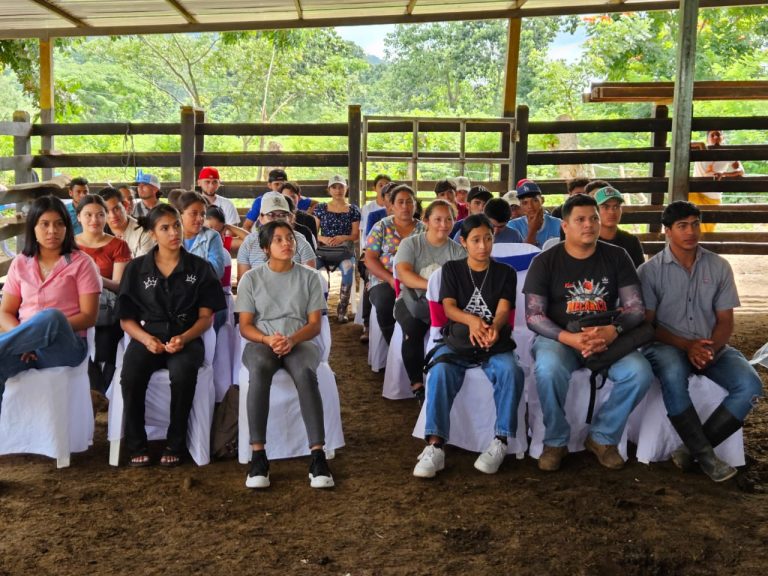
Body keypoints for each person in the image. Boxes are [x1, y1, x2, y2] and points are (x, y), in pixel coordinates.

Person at [524, 194, 653, 472]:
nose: (589, 225)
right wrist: (569, 338)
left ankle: (603, 437)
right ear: (565, 226)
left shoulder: (617, 256)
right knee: (548, 369)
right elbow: (534, 315)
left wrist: (613, 331)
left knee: (640, 372)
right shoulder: (545, 261)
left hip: (606, 336)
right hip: (559, 337)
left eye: (593, 218)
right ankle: (556, 440)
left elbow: (635, 308)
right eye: (580, 219)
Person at [639, 201, 762, 482]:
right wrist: (686, 346)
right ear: (667, 231)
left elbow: (726, 320)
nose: (691, 231)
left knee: (751, 385)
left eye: (695, 224)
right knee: (672, 373)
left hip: (711, 345)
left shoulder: (719, 266)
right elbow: (648, 325)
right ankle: (707, 458)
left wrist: (709, 349)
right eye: (682, 226)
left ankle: (690, 451)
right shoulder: (649, 271)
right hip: (667, 345)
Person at [413, 214, 524, 479]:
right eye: (476, 240)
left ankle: (500, 441)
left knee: (511, 371)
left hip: (493, 341)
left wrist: (494, 329)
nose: (483, 245)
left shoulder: (505, 273)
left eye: (488, 238)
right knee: (439, 373)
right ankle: (436, 445)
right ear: (463, 242)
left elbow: (503, 310)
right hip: (458, 341)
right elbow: (449, 308)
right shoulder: (451, 269)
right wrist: (473, 321)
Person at [117, 204, 226, 468]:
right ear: (153, 234)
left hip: (186, 337)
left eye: (176, 225)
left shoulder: (200, 268)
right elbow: (126, 320)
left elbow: (205, 318)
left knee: (184, 373)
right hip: (147, 336)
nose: (173, 232)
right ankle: (136, 443)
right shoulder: (136, 269)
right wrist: (145, 339)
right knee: (130, 376)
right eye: (164, 228)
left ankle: (175, 442)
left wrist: (185, 338)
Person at [236, 221, 334, 489]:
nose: (286, 243)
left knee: (304, 372)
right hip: (262, 341)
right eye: (278, 239)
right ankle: (258, 455)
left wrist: (291, 339)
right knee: (259, 370)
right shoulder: (251, 278)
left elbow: (315, 324)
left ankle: (317, 455)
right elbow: (245, 326)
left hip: (299, 340)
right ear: (266, 248)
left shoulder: (311, 277)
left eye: (289, 238)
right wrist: (268, 339)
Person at [0, 196, 101, 417]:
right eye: (44, 224)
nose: (52, 230)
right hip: (23, 348)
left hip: (65, 346)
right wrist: (25, 340)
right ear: (33, 228)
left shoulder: (82, 263)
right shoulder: (20, 263)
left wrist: (41, 334)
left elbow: (89, 316)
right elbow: (5, 312)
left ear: (67, 227)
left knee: (52, 317)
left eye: (59, 224)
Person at [394, 199, 465, 402]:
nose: (443, 224)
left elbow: (463, 282)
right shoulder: (411, 243)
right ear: (426, 220)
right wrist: (435, 287)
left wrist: (442, 294)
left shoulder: (458, 250)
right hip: (412, 301)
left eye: (448, 219)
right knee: (413, 329)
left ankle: (451, 380)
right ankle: (417, 385)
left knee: (457, 329)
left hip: (446, 303)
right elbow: (404, 275)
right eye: (437, 219)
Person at [75, 194, 132, 392]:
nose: (94, 220)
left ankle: (103, 395)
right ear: (78, 217)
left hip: (107, 307)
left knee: (106, 340)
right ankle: (90, 393)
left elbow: (118, 285)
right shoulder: (69, 246)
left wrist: (95, 280)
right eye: (88, 215)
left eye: (100, 214)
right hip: (75, 306)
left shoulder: (118, 245)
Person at [365, 184, 425, 345]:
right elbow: (369, 258)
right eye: (400, 202)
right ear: (391, 206)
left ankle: (414, 344)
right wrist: (391, 279)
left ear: (415, 205)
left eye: (409, 202)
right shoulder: (381, 227)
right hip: (385, 279)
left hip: (416, 280)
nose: (405, 206)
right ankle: (393, 345)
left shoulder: (424, 230)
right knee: (384, 301)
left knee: (425, 306)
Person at [314, 175, 361, 323]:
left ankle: (342, 309)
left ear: (346, 188)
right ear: (329, 190)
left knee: (348, 269)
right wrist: (322, 238)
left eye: (341, 186)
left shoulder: (353, 210)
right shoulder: (321, 208)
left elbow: (355, 236)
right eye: (334, 187)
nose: (338, 190)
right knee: (311, 269)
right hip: (323, 251)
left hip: (344, 252)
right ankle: (319, 307)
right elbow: (314, 233)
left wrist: (343, 237)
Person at [237, 192, 316, 279]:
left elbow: (311, 279)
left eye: (282, 215)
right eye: (271, 215)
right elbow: (243, 281)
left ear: (289, 218)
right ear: (261, 218)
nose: (277, 219)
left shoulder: (300, 241)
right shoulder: (249, 242)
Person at [692, 129, 745, 233]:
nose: (715, 137)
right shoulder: (700, 149)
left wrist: (724, 174)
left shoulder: (728, 154)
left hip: (713, 197)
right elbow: (682, 144)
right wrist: (701, 144)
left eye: (718, 135)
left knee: (706, 231)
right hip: (695, 193)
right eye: (712, 135)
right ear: (707, 139)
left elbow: (740, 171)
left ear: (723, 137)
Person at [594, 186, 645, 268]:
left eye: (616, 207)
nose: (612, 212)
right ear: (595, 210)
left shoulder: (631, 242)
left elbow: (639, 274)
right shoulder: (588, 240)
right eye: (606, 207)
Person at [99, 187, 155, 258]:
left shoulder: (143, 231)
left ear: (125, 205)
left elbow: (142, 265)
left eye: (116, 209)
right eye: (106, 211)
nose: (112, 215)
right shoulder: (98, 232)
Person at [507, 181, 562, 248]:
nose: (530, 206)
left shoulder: (558, 224)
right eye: (525, 203)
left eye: (535, 200)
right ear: (520, 205)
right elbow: (521, 255)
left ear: (542, 200)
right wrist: (533, 230)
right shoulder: (512, 226)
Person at [279, 182, 318, 247]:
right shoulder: (276, 218)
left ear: (299, 197)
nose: (290, 200)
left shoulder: (309, 219)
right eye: (285, 197)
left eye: (293, 197)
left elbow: (313, 246)